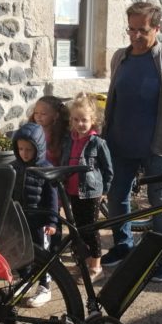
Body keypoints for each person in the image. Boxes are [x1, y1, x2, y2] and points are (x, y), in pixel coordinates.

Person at [101, 1, 162, 283]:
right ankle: (123, 244)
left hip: (158, 147)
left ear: (157, 28)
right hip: (120, 143)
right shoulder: (120, 58)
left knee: (161, 203)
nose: (135, 35)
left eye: (142, 30)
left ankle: (158, 259)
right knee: (117, 197)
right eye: (131, 29)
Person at [61, 93, 113, 282]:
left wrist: (104, 190)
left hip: (90, 192)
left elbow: (108, 169)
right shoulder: (70, 140)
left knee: (91, 229)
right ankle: (84, 263)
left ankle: (96, 267)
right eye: (76, 119)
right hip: (73, 191)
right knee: (78, 229)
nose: (80, 124)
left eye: (84, 120)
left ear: (93, 120)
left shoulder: (98, 143)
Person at [10, 122, 58, 308]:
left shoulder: (46, 169)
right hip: (20, 221)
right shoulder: (14, 167)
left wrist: (52, 222)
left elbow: (52, 199)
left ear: (38, 147)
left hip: (40, 223)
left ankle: (44, 286)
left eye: (29, 149)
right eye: (20, 148)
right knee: (21, 252)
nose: (24, 153)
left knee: (41, 254)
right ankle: (24, 281)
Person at [29, 95, 70, 167]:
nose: (38, 117)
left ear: (56, 115)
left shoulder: (64, 136)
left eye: (43, 114)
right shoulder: (30, 133)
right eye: (36, 113)